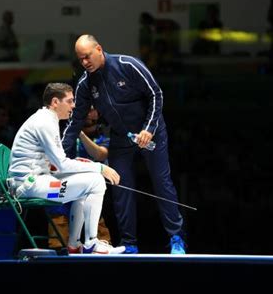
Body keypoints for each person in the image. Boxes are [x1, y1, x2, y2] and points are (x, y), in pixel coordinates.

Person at [62, 34, 186, 254]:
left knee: (162, 183)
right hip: (121, 137)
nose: (85, 63)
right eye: (80, 59)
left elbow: (156, 94)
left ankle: (176, 237)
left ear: (99, 49)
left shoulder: (127, 64)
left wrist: (148, 128)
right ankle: (130, 244)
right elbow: (75, 122)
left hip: (151, 132)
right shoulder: (85, 83)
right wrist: (58, 155)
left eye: (88, 56)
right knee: (120, 187)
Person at [8, 82, 125, 254]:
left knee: (88, 181)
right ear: (55, 102)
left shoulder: (47, 119)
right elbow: (61, 164)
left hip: (37, 180)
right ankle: (91, 243)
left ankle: (74, 244)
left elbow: (55, 165)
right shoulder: (44, 122)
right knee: (96, 181)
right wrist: (99, 167)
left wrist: (85, 166)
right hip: (28, 186)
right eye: (70, 101)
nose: (74, 105)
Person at [47, 106, 113, 250]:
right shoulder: (63, 131)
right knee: (56, 208)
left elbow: (100, 155)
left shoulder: (104, 132)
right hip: (65, 184)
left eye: (93, 110)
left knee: (94, 200)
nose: (90, 114)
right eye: (86, 110)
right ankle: (61, 245)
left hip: (90, 187)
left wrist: (80, 134)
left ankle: (99, 244)